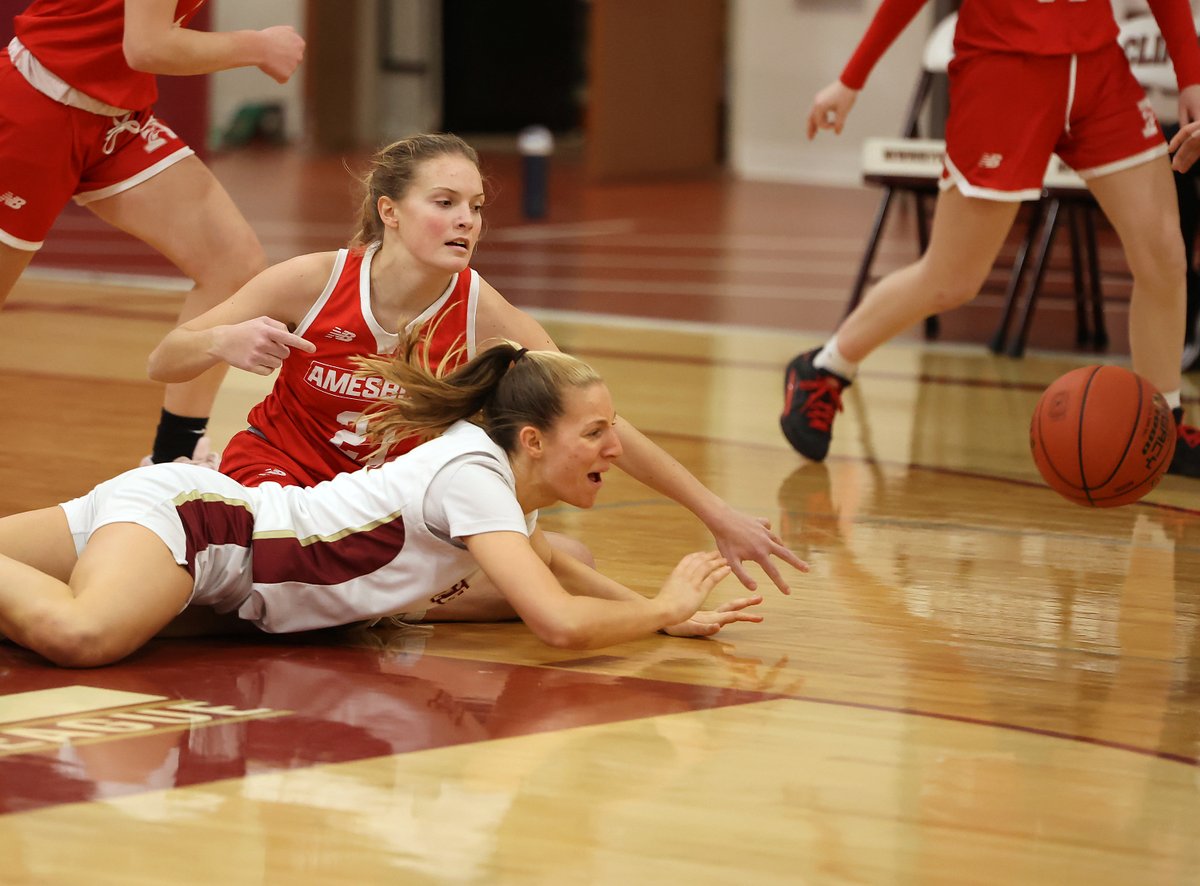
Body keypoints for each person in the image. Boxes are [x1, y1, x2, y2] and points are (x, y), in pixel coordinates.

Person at [148, 132, 808, 595]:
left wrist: (716, 513)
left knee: (567, 556)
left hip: (379, 510)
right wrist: (219, 344)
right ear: (391, 213)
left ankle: (370, 598)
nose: (467, 220)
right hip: (283, 482)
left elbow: (598, 423)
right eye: (445, 203)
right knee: (320, 564)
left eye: (476, 207)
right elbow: (163, 360)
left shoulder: (482, 313)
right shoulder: (312, 282)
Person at [0, 339, 765, 668]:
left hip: (190, 517)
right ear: (532, 440)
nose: (615, 449)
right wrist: (661, 608)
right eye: (596, 432)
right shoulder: (473, 474)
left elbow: (551, 560)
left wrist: (659, 609)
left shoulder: (493, 483)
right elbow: (559, 623)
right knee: (82, 633)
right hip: (204, 530)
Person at [783, 0, 1200, 478]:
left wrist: (1192, 76)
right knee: (952, 278)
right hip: (1003, 71)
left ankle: (1161, 425)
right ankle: (825, 367)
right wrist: (851, 79)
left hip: (1098, 71)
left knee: (1164, 251)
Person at [0, 0, 305, 465]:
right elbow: (148, 46)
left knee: (232, 263)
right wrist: (258, 46)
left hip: (116, 120)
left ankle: (173, 457)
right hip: (34, 106)